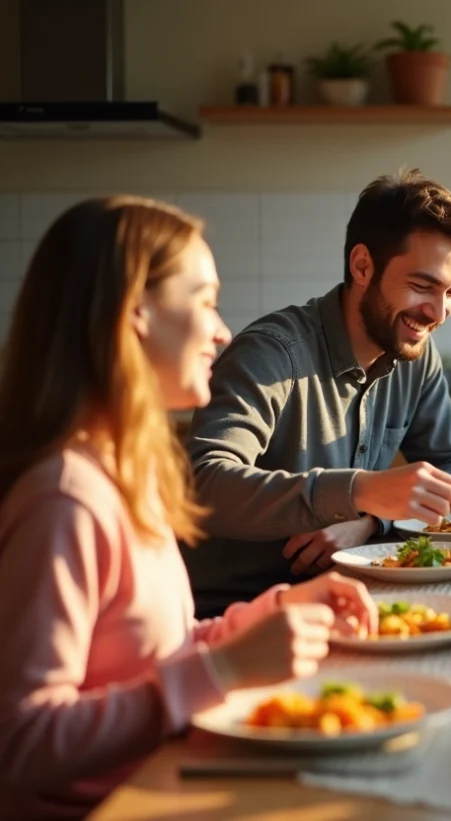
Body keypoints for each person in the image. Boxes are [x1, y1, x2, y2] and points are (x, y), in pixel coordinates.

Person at [0, 197, 376, 819]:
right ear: (135, 312)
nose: (223, 330)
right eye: (204, 300)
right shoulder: (63, 501)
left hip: (166, 776)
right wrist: (223, 669)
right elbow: (20, 742)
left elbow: (157, 649)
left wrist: (273, 613)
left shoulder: (127, 476)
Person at [184, 170, 451, 617]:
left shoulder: (414, 355)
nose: (438, 312)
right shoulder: (272, 354)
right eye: (422, 286)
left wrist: (371, 521)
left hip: (344, 601)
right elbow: (204, 484)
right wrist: (355, 491)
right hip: (231, 612)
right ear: (363, 265)